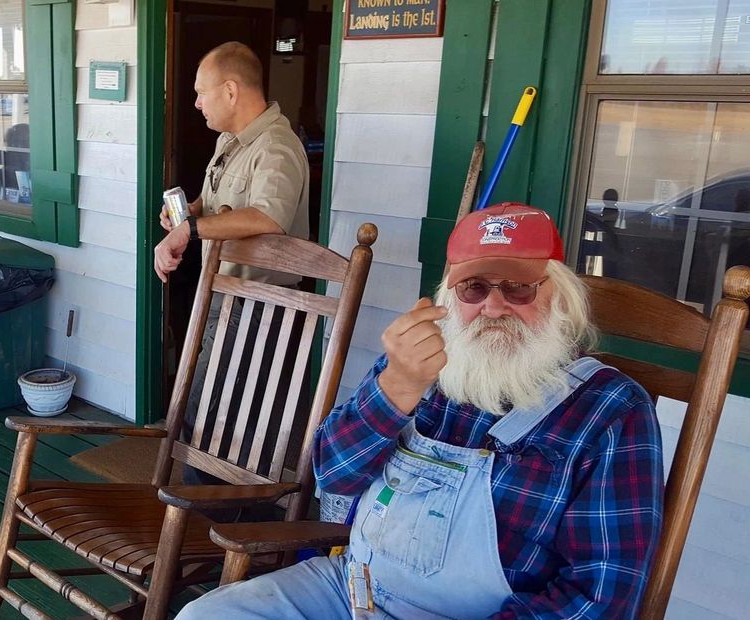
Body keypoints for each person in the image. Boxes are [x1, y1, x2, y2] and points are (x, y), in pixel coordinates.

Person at [178, 203, 664, 619]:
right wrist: (396, 388)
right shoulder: (418, 361)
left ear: (559, 294)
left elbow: (601, 598)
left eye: (519, 288)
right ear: (449, 297)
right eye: (473, 287)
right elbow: (332, 480)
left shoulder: (611, 411)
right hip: (350, 590)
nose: (494, 307)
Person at [154, 41, 310, 488]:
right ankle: (201, 520)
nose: (196, 103)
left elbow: (268, 217)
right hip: (225, 295)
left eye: (201, 92)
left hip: (261, 305)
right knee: (203, 413)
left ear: (230, 90)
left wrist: (192, 231)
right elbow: (221, 204)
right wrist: (187, 213)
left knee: (219, 422)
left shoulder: (277, 146)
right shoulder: (230, 143)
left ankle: (210, 526)